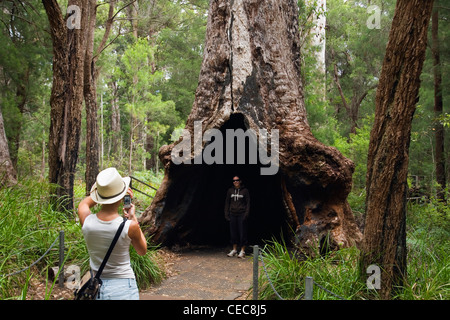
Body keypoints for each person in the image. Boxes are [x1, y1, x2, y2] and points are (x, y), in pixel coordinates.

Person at [77, 167, 147, 300]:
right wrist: (133, 218)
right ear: (122, 197)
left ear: (98, 196)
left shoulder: (87, 221)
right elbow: (142, 250)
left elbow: (84, 204)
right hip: (123, 289)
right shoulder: (130, 226)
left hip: (95, 288)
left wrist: (103, 191)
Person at [224, 176, 250, 258]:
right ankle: (234, 250)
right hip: (232, 214)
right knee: (233, 232)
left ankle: (242, 251)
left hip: (241, 214)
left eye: (237, 180)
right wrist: (226, 213)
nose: (235, 182)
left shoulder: (245, 191)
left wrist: (246, 214)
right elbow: (227, 202)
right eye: (234, 181)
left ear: (240, 181)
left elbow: (248, 203)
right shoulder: (230, 191)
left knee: (242, 232)